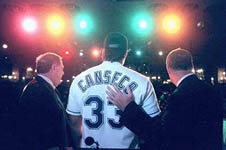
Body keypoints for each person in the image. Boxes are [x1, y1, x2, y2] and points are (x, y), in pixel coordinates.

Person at [106, 48, 222, 150]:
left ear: (168, 69)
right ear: (191, 66)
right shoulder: (212, 91)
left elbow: (159, 136)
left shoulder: (179, 97)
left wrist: (128, 107)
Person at [66, 32, 160, 149]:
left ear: (103, 52)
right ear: (125, 53)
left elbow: (74, 123)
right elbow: (154, 127)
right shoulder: (143, 81)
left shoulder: (79, 80)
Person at [17, 52, 76, 150]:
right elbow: (34, 130)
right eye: (62, 68)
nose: (63, 73)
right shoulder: (37, 89)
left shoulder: (43, 87)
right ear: (54, 68)